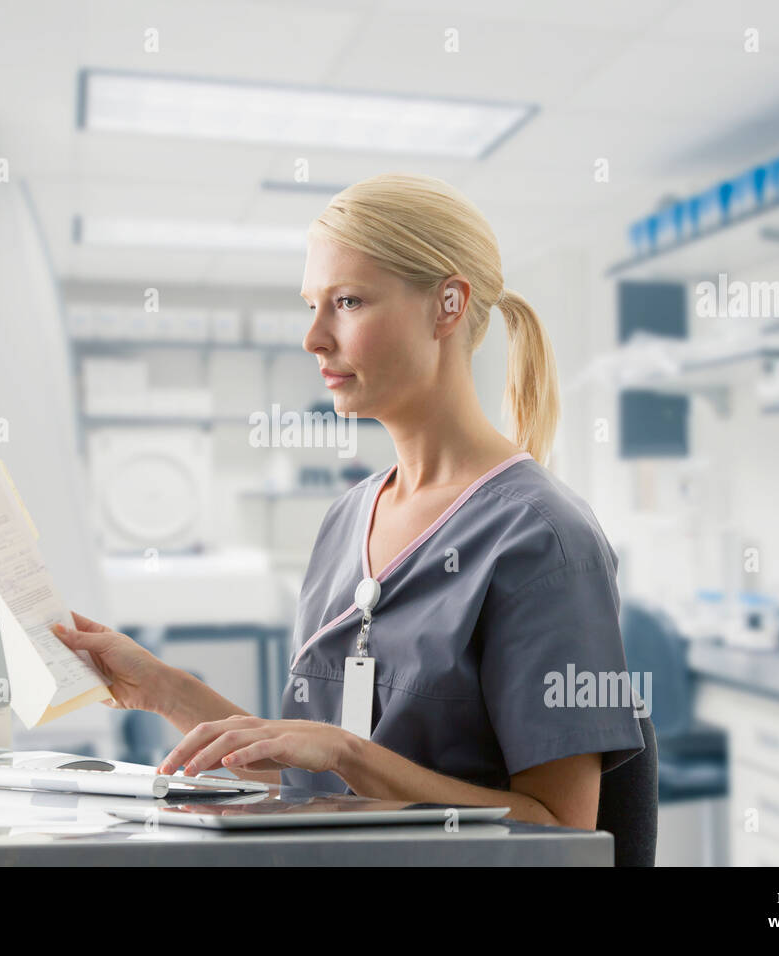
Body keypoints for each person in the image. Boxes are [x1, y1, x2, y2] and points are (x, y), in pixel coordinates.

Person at [53, 172, 644, 829]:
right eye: (313, 304)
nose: (314, 338)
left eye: (348, 302)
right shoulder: (346, 519)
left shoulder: (542, 539)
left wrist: (351, 754)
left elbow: (561, 831)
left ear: (448, 305)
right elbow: (310, 778)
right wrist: (160, 687)